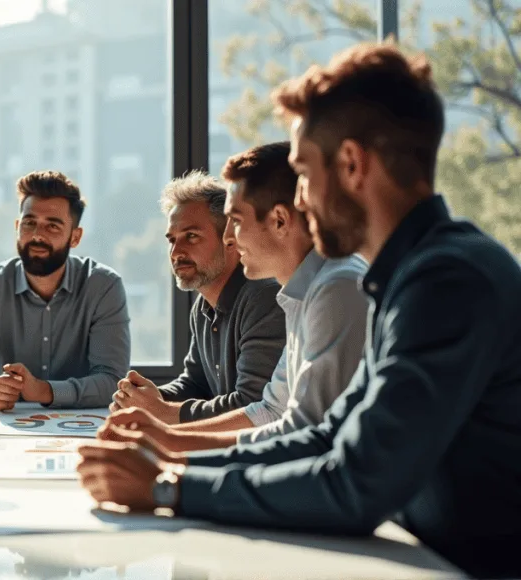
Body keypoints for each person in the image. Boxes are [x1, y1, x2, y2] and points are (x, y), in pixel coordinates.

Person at [76, 42, 521, 579]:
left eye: (305, 174)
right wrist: (173, 462)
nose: (301, 202)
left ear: (353, 164)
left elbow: (357, 482)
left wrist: (169, 486)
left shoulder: (447, 281)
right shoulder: (405, 278)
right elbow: (325, 435)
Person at [102, 142, 367, 452]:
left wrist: (171, 442)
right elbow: (271, 412)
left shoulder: (332, 289)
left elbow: (302, 432)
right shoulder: (298, 295)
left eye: (236, 222)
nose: (230, 237)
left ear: (280, 221)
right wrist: (158, 418)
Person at [0, 170, 130, 409]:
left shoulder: (104, 287)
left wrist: (44, 391)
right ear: (17, 226)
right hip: (8, 427)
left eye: (52, 226)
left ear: (75, 237)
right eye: (29, 223)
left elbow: (112, 381)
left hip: (85, 429)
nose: (37, 236)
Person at [110, 172, 285, 423]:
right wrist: (146, 398)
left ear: (231, 241)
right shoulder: (203, 306)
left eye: (191, 236)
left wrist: (160, 410)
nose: (176, 252)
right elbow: (195, 384)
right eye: (172, 239)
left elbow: (252, 406)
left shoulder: (264, 298)